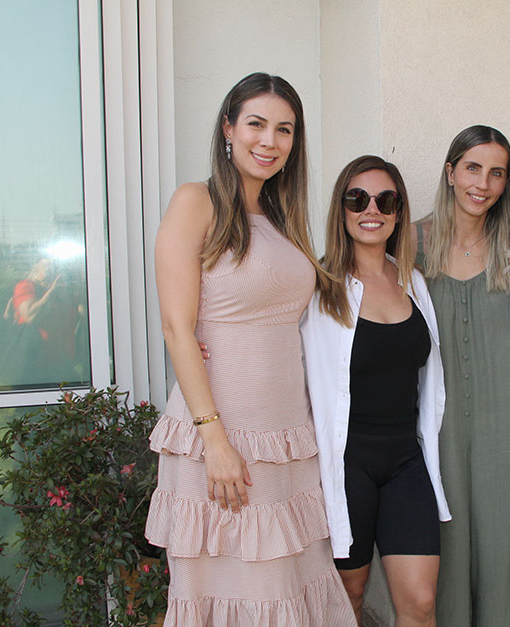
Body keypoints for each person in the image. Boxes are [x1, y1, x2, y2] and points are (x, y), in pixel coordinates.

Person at [145, 72, 354, 626]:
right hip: (222, 435)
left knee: (290, 589)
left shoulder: (285, 220)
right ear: (228, 129)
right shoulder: (197, 202)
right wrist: (214, 439)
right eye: (256, 124)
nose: (269, 140)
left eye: (284, 130)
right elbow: (175, 327)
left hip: (286, 441)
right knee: (231, 594)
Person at [302, 156, 450, 626]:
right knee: (348, 595)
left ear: (399, 211)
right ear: (341, 209)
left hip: (406, 459)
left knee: (421, 602)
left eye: (386, 200)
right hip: (347, 465)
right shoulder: (318, 286)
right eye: (357, 198)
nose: (372, 209)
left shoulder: (414, 283)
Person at [413, 126, 510, 626]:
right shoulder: (411, 244)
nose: (482, 183)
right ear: (450, 172)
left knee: (501, 542)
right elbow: (341, 284)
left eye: (497, 172)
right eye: (472, 167)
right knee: (442, 545)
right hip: (433, 429)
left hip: (503, 425)